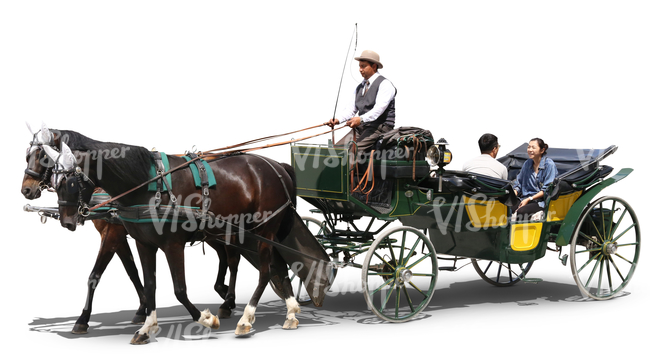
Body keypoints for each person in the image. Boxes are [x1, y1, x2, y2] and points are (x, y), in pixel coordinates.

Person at [326, 50, 397, 158]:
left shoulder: (385, 84)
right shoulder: (360, 87)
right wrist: (337, 120)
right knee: (337, 150)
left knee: (350, 152)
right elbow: (351, 109)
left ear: (374, 66)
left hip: (380, 128)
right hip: (363, 127)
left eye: (363, 66)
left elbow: (378, 110)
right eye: (359, 66)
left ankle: (348, 174)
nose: (360, 70)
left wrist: (360, 119)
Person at [512, 138, 558, 220]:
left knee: (522, 212)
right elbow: (519, 183)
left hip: (540, 201)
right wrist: (512, 195)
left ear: (542, 150)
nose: (530, 150)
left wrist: (529, 199)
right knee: (507, 207)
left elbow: (546, 190)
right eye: (528, 147)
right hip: (525, 198)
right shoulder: (527, 163)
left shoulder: (549, 165)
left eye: (533, 147)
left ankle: (520, 232)